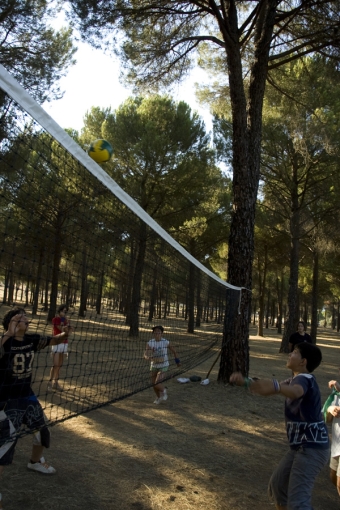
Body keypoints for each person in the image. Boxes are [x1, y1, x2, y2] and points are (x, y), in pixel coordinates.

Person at [230, 342, 329, 510]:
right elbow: (269, 388)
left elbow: (296, 392)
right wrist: (246, 382)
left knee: (299, 503)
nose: (290, 354)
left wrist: (276, 387)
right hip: (300, 447)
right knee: (278, 487)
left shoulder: (304, 379)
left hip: (312, 448)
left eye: (295, 352)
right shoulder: (293, 380)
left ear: (303, 361)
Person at [0, 307, 72, 509]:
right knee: (4, 447)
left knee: (42, 431)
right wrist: (7, 334)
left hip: (27, 396)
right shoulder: (5, 341)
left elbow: (54, 340)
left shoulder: (31, 339)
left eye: (25, 316)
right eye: (19, 317)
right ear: (11, 323)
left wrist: (66, 333)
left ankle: (34, 461)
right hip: (6, 401)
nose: (25, 319)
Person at [144, 325, 180, 404]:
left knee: (157, 382)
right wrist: (148, 357)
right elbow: (146, 354)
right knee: (154, 384)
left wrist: (177, 361)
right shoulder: (150, 343)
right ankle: (159, 397)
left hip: (164, 365)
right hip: (154, 365)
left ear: (162, 333)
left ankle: (164, 390)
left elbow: (174, 351)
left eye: (159, 332)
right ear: (153, 333)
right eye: (155, 332)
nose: (157, 333)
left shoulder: (165, 342)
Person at [48, 304, 70, 391]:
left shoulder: (67, 320)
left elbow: (68, 332)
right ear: (59, 311)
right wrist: (64, 326)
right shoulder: (55, 319)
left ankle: (56, 382)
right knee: (55, 364)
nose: (64, 313)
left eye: (65, 311)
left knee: (60, 365)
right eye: (63, 311)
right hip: (57, 342)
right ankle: (50, 382)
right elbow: (60, 329)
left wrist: (67, 326)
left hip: (64, 343)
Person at [324, 379, 340, 497]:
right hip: (337, 444)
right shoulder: (336, 393)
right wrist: (330, 409)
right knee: (333, 476)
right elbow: (327, 419)